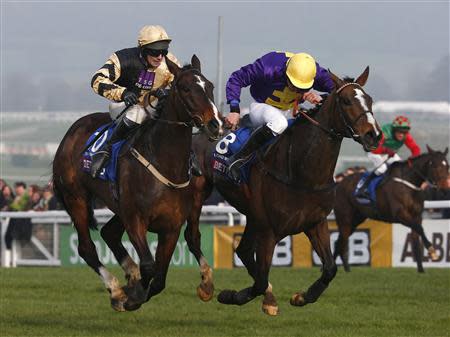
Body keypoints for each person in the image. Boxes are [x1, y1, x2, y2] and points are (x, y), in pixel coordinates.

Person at [224, 52, 335, 180]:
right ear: (287, 72)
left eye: (301, 88)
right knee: (279, 123)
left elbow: (340, 92)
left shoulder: (315, 72)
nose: (296, 90)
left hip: (289, 111)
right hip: (261, 106)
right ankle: (237, 159)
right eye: (294, 85)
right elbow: (237, 78)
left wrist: (321, 97)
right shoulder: (268, 67)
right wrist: (234, 109)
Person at [90, 25, 181, 178]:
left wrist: (167, 92)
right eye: (154, 51)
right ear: (142, 49)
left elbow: (179, 84)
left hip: (154, 106)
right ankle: (106, 150)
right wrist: (123, 93)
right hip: (124, 106)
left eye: (163, 51)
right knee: (137, 113)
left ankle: (189, 155)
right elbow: (97, 80)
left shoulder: (169, 61)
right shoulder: (122, 59)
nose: (160, 56)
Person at [355, 115, 421, 199]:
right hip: (374, 151)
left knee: (400, 167)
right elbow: (375, 149)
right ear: (394, 130)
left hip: (390, 153)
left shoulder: (406, 136)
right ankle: (363, 187)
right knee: (382, 169)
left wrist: (413, 160)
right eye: (399, 131)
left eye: (404, 132)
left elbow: (415, 149)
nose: (401, 134)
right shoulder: (385, 132)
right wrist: (387, 151)